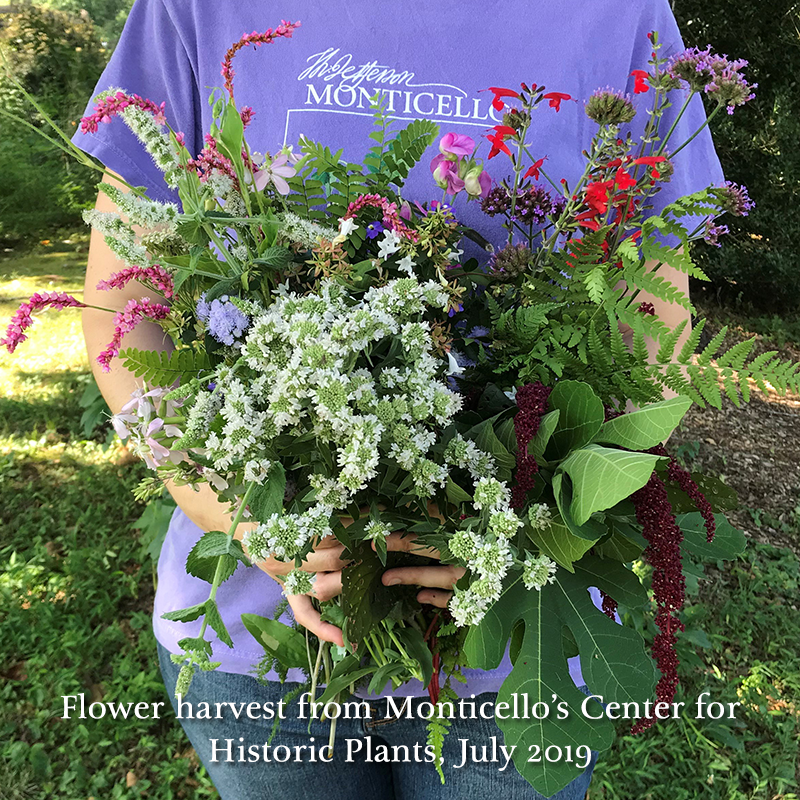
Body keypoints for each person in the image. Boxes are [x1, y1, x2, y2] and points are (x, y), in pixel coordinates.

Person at [73, 1, 724, 797]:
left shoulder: (619, 15)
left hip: (507, 654)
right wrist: (232, 506)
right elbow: (125, 294)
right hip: (264, 645)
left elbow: (652, 323)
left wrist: (521, 531)